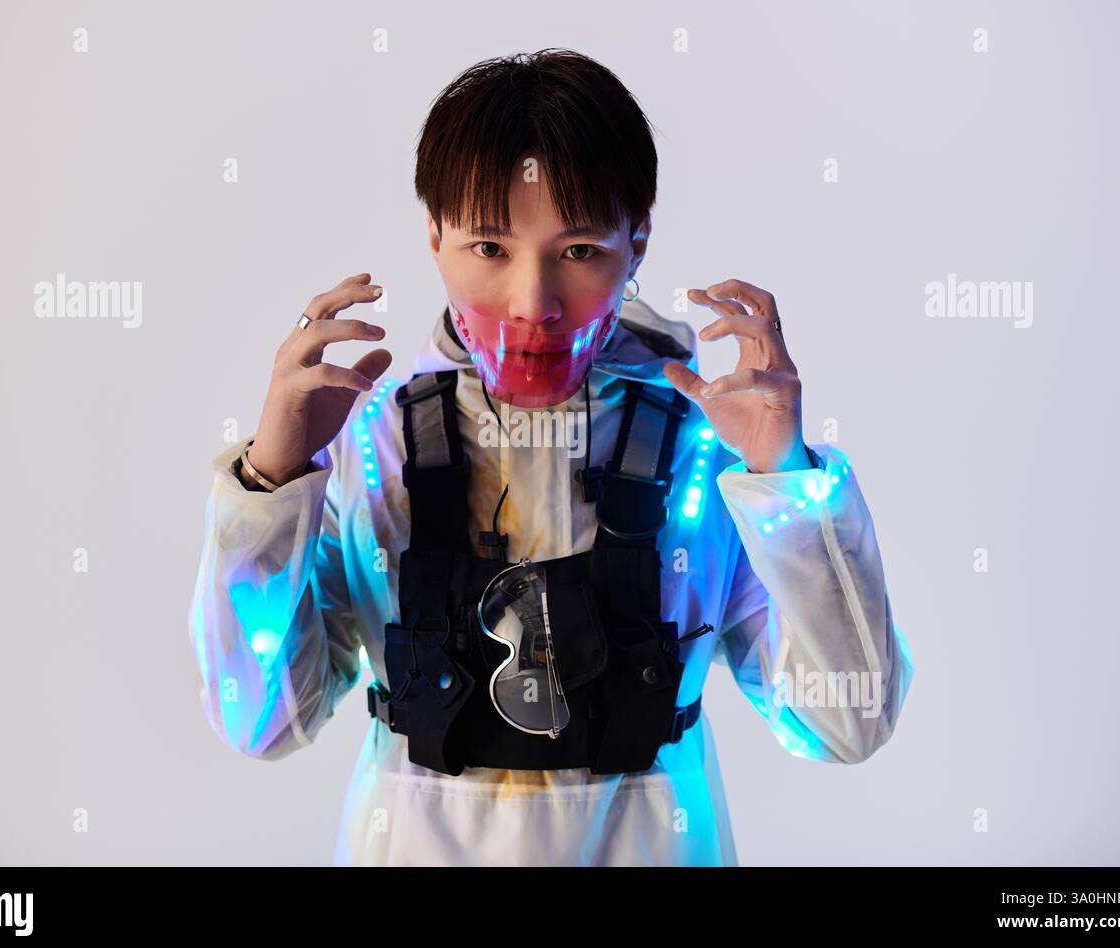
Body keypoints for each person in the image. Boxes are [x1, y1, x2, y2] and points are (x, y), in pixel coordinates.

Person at [187, 48, 914, 866]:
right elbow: (261, 721)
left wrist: (789, 484)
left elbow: (847, 723)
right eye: (490, 249)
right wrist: (271, 481)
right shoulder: (372, 440)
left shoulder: (706, 449)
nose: (534, 307)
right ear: (434, 237)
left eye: (579, 252)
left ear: (636, 243)